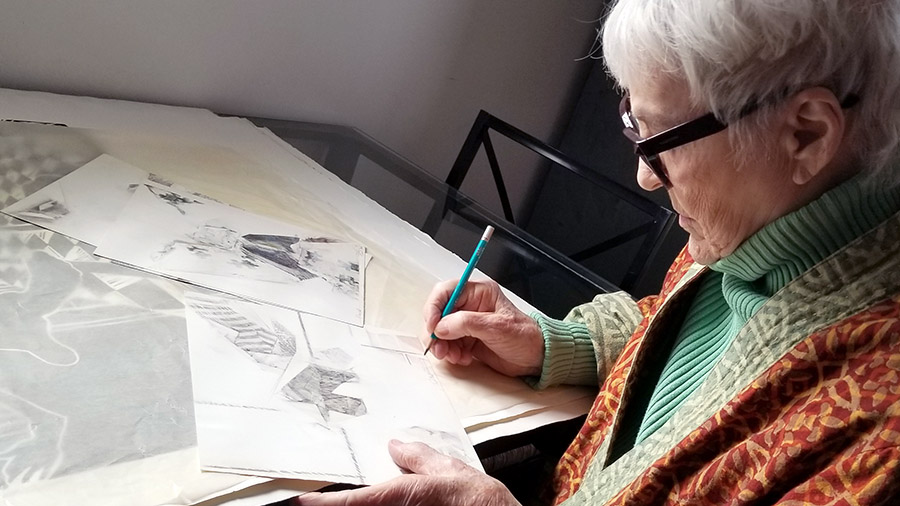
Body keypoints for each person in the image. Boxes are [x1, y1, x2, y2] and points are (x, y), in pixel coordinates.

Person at [295, 0, 900, 504]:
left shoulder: (878, 439)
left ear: (806, 134)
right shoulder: (763, 223)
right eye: (634, 123)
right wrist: (553, 344)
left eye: (659, 140)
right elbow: (684, 331)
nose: (645, 176)